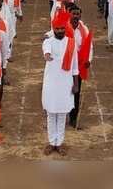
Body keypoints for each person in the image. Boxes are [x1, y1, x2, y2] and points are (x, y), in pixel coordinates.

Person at [41, 11, 79, 156]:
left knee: (62, 114)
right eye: (57, 29)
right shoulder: (48, 41)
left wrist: (76, 84)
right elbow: (46, 50)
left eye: (62, 28)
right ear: (53, 28)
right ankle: (51, 143)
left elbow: (75, 67)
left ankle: (60, 142)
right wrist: (47, 55)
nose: (60, 31)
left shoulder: (71, 43)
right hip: (51, 83)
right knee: (51, 114)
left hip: (66, 83)